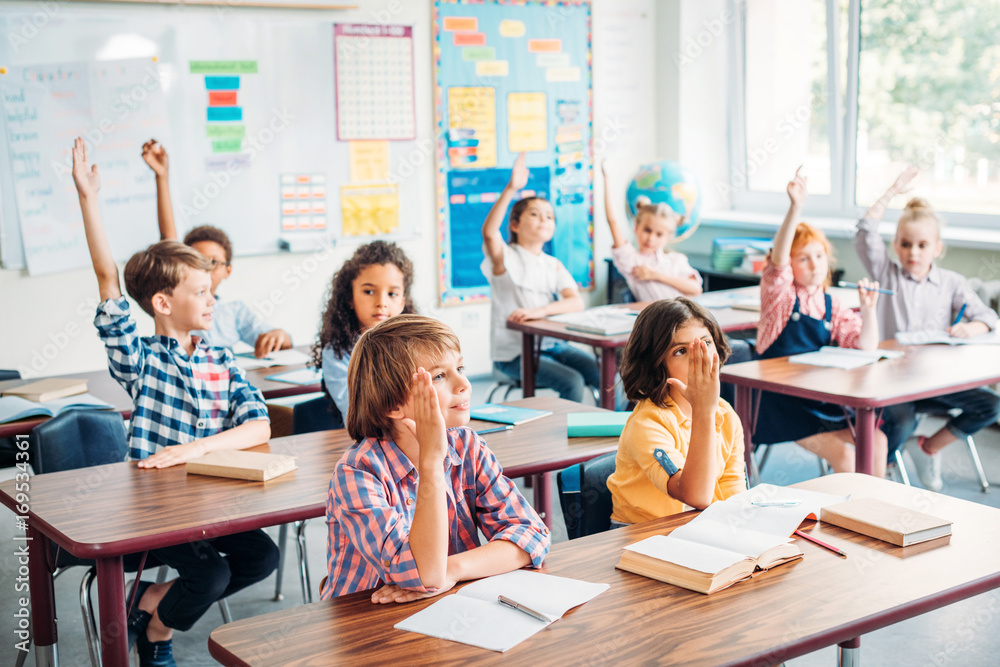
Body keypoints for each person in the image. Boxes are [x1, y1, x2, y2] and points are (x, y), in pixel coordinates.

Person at [72, 138, 278, 666]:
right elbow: (108, 279)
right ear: (163, 304)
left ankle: (154, 606)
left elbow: (259, 428)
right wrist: (88, 199)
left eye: (212, 290)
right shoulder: (141, 359)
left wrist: (195, 451)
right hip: (152, 509)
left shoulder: (219, 356)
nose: (212, 300)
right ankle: (157, 636)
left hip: (209, 496)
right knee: (210, 573)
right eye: (202, 293)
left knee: (261, 557)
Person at [319, 314, 550, 601]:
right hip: (366, 624)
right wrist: (431, 463)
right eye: (440, 375)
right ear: (392, 404)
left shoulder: (468, 447)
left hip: (447, 605)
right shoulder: (357, 473)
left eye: (460, 367)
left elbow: (531, 535)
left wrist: (452, 569)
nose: (463, 382)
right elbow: (424, 575)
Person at [854, 167, 1000, 490]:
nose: (913, 253)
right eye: (905, 245)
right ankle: (886, 465)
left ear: (937, 248)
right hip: (894, 384)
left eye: (922, 245)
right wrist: (892, 191)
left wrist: (970, 329)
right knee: (902, 421)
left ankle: (928, 448)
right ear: (896, 245)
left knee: (991, 405)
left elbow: (989, 318)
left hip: (937, 382)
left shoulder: (952, 283)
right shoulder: (886, 273)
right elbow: (865, 230)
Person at [755, 167, 888, 476]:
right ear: (791, 263)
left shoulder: (831, 303)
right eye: (803, 258)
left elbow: (864, 346)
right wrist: (795, 208)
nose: (814, 264)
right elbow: (777, 262)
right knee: (843, 456)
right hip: (780, 405)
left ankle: (873, 513)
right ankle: (847, 520)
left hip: (816, 398)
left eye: (819, 256)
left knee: (877, 441)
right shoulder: (781, 297)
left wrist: (868, 311)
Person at [482, 152, 619, 407]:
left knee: (606, 372)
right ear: (514, 224)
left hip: (553, 346)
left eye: (549, 216)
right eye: (535, 214)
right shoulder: (505, 258)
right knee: (572, 381)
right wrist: (512, 188)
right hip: (514, 354)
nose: (544, 219)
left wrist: (540, 311)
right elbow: (489, 233)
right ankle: (566, 440)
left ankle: (619, 429)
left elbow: (575, 302)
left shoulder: (552, 264)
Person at [142, 139, 292, 358]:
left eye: (212, 262)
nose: (205, 269)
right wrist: (162, 177)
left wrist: (279, 335)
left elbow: (278, 338)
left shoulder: (233, 313)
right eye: (196, 262)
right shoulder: (178, 306)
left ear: (228, 270)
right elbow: (169, 241)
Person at [607, 298, 745, 523]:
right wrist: (704, 412)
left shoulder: (725, 414)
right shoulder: (647, 423)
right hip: (641, 536)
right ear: (656, 365)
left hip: (697, 527)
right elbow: (695, 496)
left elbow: (733, 493)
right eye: (681, 351)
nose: (698, 358)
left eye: (706, 343)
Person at [312, 240, 416, 426]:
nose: (381, 302)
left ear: (402, 303)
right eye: (369, 291)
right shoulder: (338, 352)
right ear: (350, 297)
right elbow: (355, 411)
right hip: (367, 439)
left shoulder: (416, 345)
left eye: (392, 294)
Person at [601, 159, 703, 302]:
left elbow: (696, 289)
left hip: (682, 319)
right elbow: (612, 222)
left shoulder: (676, 260)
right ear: (636, 228)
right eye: (647, 230)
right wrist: (606, 179)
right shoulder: (632, 261)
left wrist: (655, 275)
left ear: (668, 237)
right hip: (656, 322)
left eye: (659, 234)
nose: (651, 238)